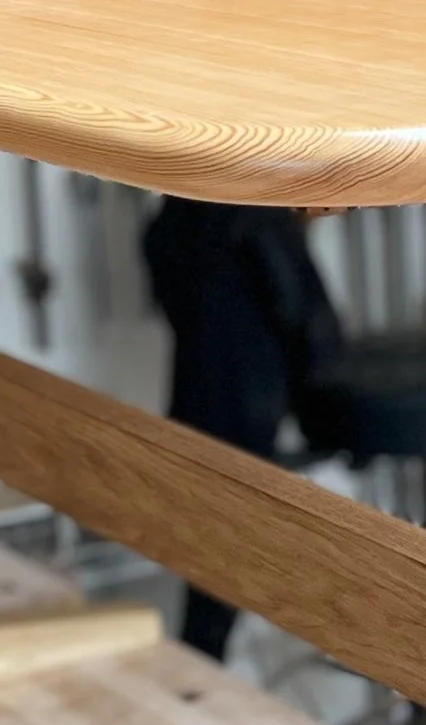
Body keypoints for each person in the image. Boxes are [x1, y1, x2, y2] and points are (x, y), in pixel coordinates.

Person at [140, 197, 340, 658]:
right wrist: (335, 388)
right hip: (249, 403)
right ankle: (203, 657)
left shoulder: (171, 220)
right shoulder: (259, 218)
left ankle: (202, 652)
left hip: (195, 395)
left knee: (212, 534)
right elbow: (308, 321)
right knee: (227, 541)